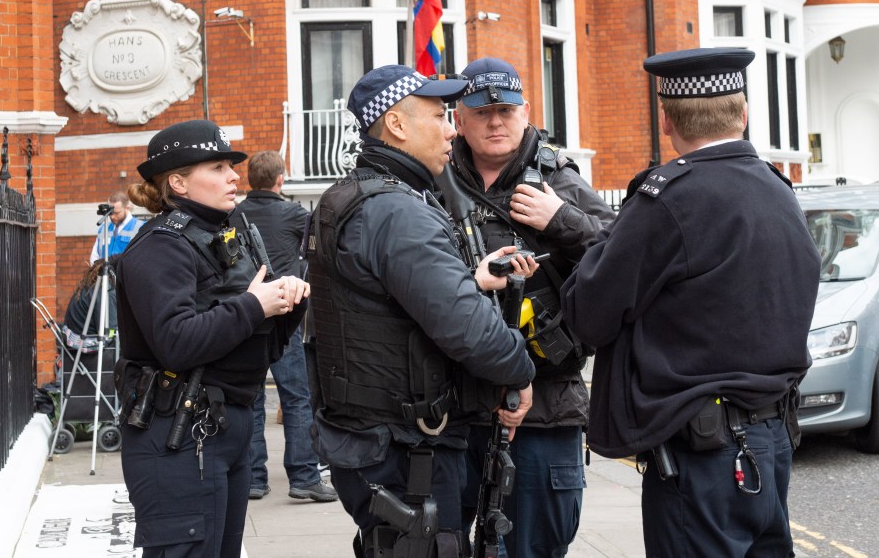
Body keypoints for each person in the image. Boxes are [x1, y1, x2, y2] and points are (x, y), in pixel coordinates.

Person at [560, 47, 820, 557]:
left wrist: (571, 231)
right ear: (742, 113)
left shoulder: (669, 198)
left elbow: (589, 311)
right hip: (770, 440)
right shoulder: (776, 188)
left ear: (666, 119)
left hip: (705, 455)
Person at [308, 64, 538, 558]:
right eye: (439, 115)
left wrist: (468, 278)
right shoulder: (398, 210)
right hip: (406, 447)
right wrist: (519, 370)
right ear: (396, 124)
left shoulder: (352, 197)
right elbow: (469, 330)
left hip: (373, 438)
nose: (452, 129)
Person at [115, 119, 310, 558]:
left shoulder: (231, 234)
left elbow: (262, 346)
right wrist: (253, 305)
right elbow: (176, 342)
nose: (233, 176)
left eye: (231, 166)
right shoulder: (160, 247)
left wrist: (287, 303)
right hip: (177, 434)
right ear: (178, 182)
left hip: (224, 425)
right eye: (218, 167)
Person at [446, 57, 615, 557]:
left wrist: (562, 219)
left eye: (505, 110)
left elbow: (622, 261)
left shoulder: (559, 180)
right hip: (457, 406)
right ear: (459, 119)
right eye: (481, 112)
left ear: (525, 113)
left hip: (545, 407)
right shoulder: (435, 183)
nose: (494, 122)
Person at [231, 150, 337, 503]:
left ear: (250, 180)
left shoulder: (234, 215)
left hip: (246, 315)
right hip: (284, 314)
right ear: (280, 180)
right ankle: (304, 476)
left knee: (253, 399)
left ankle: (254, 479)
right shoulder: (294, 214)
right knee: (296, 399)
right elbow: (319, 254)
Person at [62, 257, 118, 351]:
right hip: (89, 345)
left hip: (74, 340)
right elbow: (109, 332)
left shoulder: (90, 286)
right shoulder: (106, 291)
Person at [89, 191, 143, 264]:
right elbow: (95, 257)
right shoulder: (103, 229)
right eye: (110, 213)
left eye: (116, 213)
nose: (112, 216)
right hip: (106, 275)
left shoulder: (140, 227)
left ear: (127, 208)